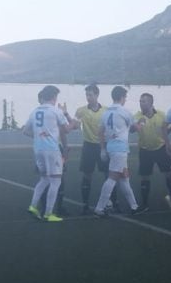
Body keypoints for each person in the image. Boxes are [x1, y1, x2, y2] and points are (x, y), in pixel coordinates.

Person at [22, 85, 77, 222]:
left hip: (38, 149)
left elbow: (25, 131)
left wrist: (39, 136)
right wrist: (74, 122)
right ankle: (48, 213)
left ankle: (33, 206)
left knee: (44, 179)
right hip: (52, 149)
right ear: (53, 97)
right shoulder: (55, 111)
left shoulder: (35, 111)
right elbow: (67, 129)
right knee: (56, 180)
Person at [94, 86, 141, 215]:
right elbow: (136, 128)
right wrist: (142, 123)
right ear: (121, 97)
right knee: (112, 178)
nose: (125, 99)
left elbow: (100, 132)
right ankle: (99, 208)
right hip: (120, 148)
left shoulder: (106, 112)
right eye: (125, 97)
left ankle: (134, 206)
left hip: (111, 147)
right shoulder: (124, 111)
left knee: (124, 178)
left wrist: (103, 149)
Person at [135, 92, 171, 211]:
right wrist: (137, 125)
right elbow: (132, 129)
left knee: (170, 175)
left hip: (160, 148)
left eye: (143, 101)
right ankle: (145, 204)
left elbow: (170, 127)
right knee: (145, 177)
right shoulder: (137, 116)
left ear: (151, 103)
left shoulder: (161, 115)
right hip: (145, 150)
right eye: (140, 101)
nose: (141, 103)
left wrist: (165, 139)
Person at [75, 84, 109, 214]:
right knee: (87, 175)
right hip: (88, 146)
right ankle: (85, 204)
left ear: (97, 95)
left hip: (102, 145)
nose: (88, 97)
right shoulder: (81, 110)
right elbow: (75, 124)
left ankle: (111, 202)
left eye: (90, 95)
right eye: (86, 95)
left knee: (108, 175)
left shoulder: (106, 110)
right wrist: (67, 115)